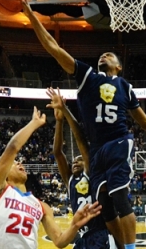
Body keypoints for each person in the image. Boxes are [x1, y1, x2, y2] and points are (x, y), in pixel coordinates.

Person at [23, 2, 146, 249]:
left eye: (110, 55)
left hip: (118, 142)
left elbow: (145, 122)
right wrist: (30, 14)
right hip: (96, 149)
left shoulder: (125, 86)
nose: (104, 55)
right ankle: (122, 246)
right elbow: (54, 48)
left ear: (119, 65)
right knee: (104, 204)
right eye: (101, 55)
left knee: (119, 197)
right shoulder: (88, 75)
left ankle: (131, 248)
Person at [0, 107, 102, 249]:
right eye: (15, 163)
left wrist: (75, 225)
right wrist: (33, 123)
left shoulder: (42, 206)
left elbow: (59, 241)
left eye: (19, 162)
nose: (19, 163)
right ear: (5, 174)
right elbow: (12, 149)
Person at [47, 87, 121, 249]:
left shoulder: (91, 173)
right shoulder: (69, 179)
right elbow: (57, 152)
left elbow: (81, 141)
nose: (75, 161)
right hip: (82, 236)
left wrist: (65, 110)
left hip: (100, 232)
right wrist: (59, 121)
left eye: (79, 160)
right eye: (74, 161)